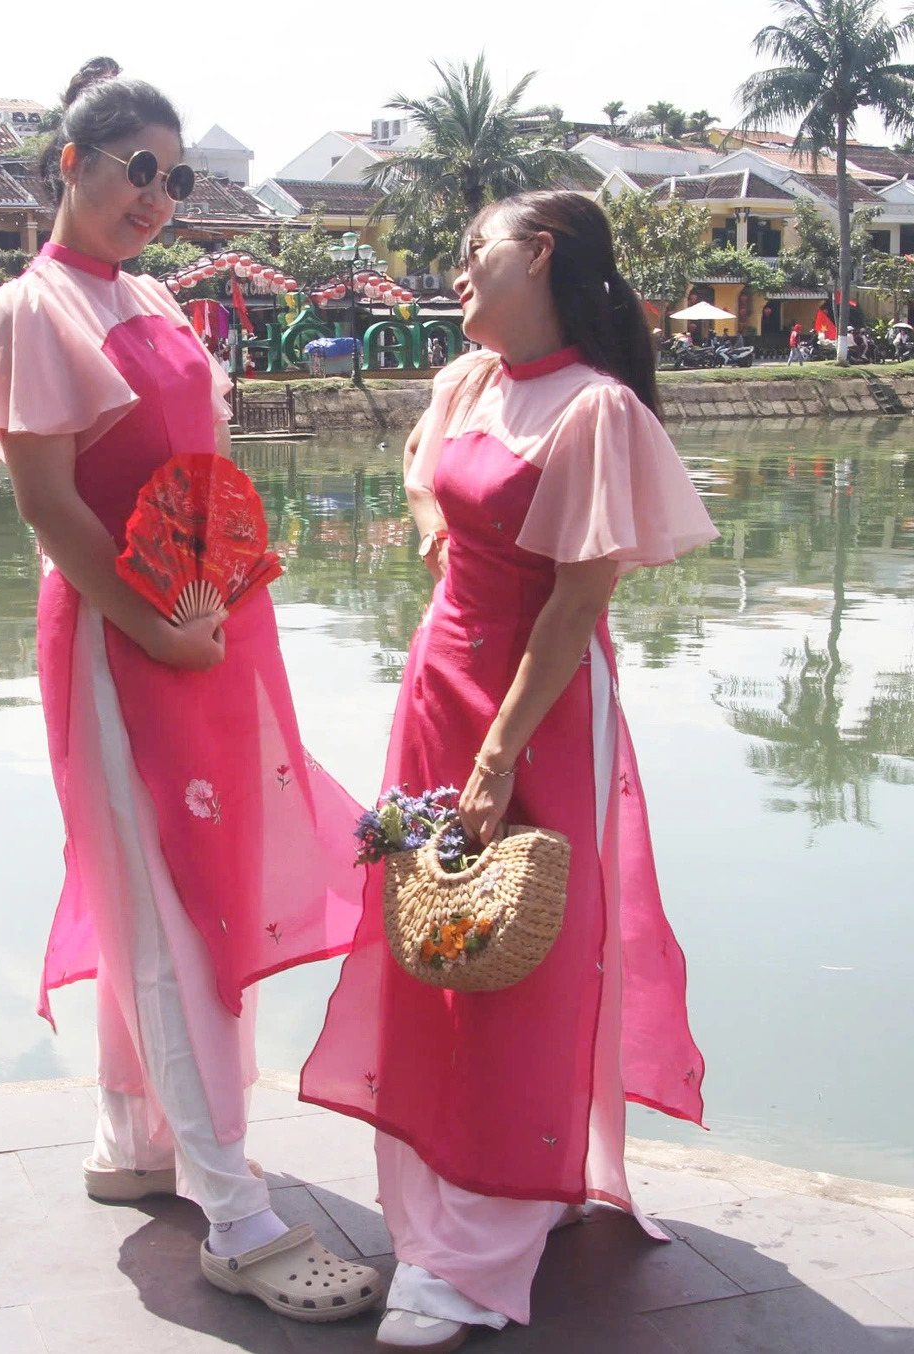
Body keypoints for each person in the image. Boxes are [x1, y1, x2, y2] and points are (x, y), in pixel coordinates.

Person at [0, 56, 382, 1325]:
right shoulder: (33, 309)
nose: (158, 195)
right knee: (165, 908)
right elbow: (48, 504)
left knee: (198, 879)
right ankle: (234, 1215)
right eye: (138, 168)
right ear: (71, 166)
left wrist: (223, 598)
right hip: (118, 632)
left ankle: (135, 1136)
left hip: (202, 619)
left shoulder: (145, 294)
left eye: (175, 176)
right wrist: (149, 624)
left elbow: (199, 467)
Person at [301, 190, 716, 1352]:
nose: (457, 273)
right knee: (433, 940)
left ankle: (477, 1255)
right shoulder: (466, 383)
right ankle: (441, 1198)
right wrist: (439, 528)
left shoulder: (594, 411)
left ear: (536, 256)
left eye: (473, 253)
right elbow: (422, 474)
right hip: (437, 679)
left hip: (534, 705)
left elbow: (581, 597)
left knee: (518, 956)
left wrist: (494, 761)